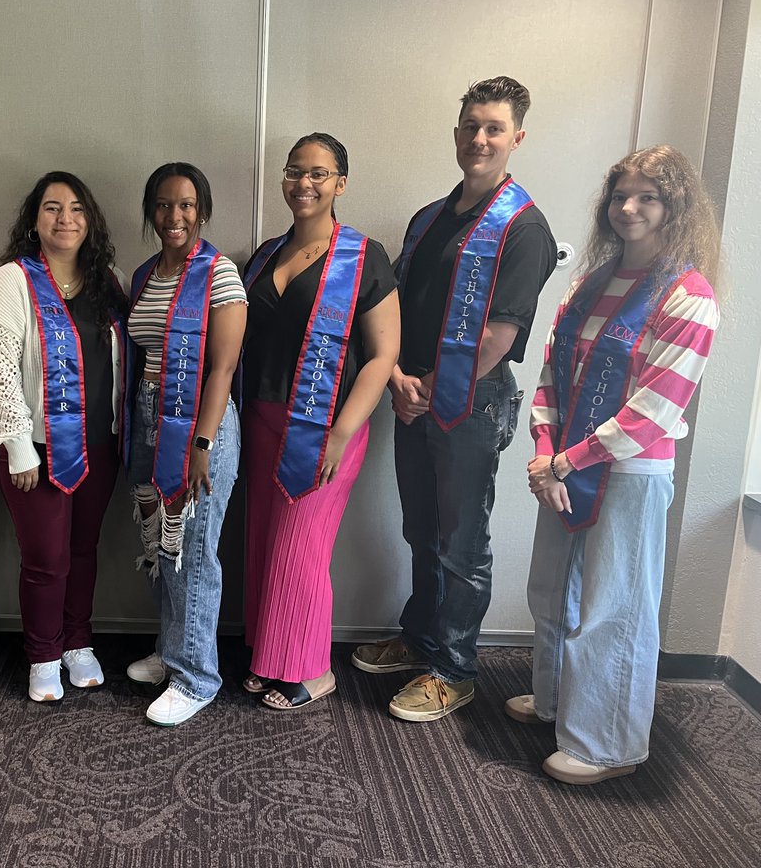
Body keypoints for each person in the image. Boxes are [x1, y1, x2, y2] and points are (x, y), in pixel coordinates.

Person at [508, 145, 720, 784]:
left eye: (646, 197)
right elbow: (552, 373)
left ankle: (607, 743)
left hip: (626, 475)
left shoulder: (688, 295)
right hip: (565, 466)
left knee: (614, 607)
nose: (627, 208)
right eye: (619, 195)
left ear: (673, 206)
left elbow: (653, 409)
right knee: (552, 588)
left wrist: (566, 461)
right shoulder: (590, 282)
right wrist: (545, 451)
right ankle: (557, 701)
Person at [352, 77, 559, 722]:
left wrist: (429, 388)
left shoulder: (525, 230)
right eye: (471, 125)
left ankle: (455, 668)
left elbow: (497, 336)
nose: (480, 138)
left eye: (494, 128)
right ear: (456, 132)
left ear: (516, 138)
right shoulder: (428, 218)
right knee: (421, 528)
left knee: (461, 541)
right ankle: (422, 638)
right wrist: (397, 380)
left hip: (471, 404)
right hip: (411, 392)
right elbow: (397, 308)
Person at [240, 135, 400, 711]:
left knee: (301, 545)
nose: (303, 183)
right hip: (260, 418)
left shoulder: (364, 256)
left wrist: (340, 433)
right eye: (294, 171)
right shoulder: (264, 255)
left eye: (319, 173)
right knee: (264, 538)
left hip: (329, 424)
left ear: (340, 183)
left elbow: (382, 355)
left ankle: (312, 669)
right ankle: (269, 655)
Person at [0, 172, 126, 703]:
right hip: (36, 449)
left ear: (91, 221)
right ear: (33, 220)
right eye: (52, 208)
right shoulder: (12, 281)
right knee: (46, 559)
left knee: (85, 550)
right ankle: (42, 652)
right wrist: (16, 444)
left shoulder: (109, 281)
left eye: (77, 209)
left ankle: (77, 642)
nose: (66, 219)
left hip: (98, 446)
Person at [121, 163, 247, 727]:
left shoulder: (219, 274)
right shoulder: (147, 273)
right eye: (164, 205)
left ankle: (196, 676)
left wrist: (202, 442)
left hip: (200, 424)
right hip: (153, 419)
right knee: (162, 542)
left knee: (193, 551)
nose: (176, 217)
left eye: (188, 205)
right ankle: (173, 651)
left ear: (204, 210)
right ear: (151, 210)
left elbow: (222, 369)